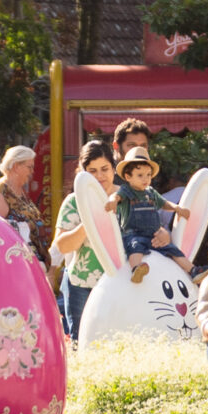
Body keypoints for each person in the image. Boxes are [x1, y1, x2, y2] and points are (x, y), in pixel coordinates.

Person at [50, 140, 116, 339]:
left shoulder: (127, 198)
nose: (100, 176)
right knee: (83, 341)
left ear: (114, 168)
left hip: (119, 282)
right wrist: (89, 222)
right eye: (92, 170)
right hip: (81, 284)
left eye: (104, 168)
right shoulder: (74, 201)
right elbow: (62, 244)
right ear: (82, 172)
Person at [114, 148, 176, 258]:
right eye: (140, 175)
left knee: (174, 251)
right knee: (135, 248)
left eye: (148, 175)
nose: (146, 179)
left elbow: (163, 204)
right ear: (128, 177)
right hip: (131, 239)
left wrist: (177, 209)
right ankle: (136, 270)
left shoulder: (151, 193)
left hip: (152, 239)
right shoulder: (124, 192)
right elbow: (115, 199)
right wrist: (112, 202)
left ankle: (193, 269)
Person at [0, 145, 42, 246]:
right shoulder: (0, 192)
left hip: (28, 254)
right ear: (16, 167)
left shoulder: (19, 190)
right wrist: (28, 226)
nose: (32, 171)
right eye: (29, 167)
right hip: (13, 256)